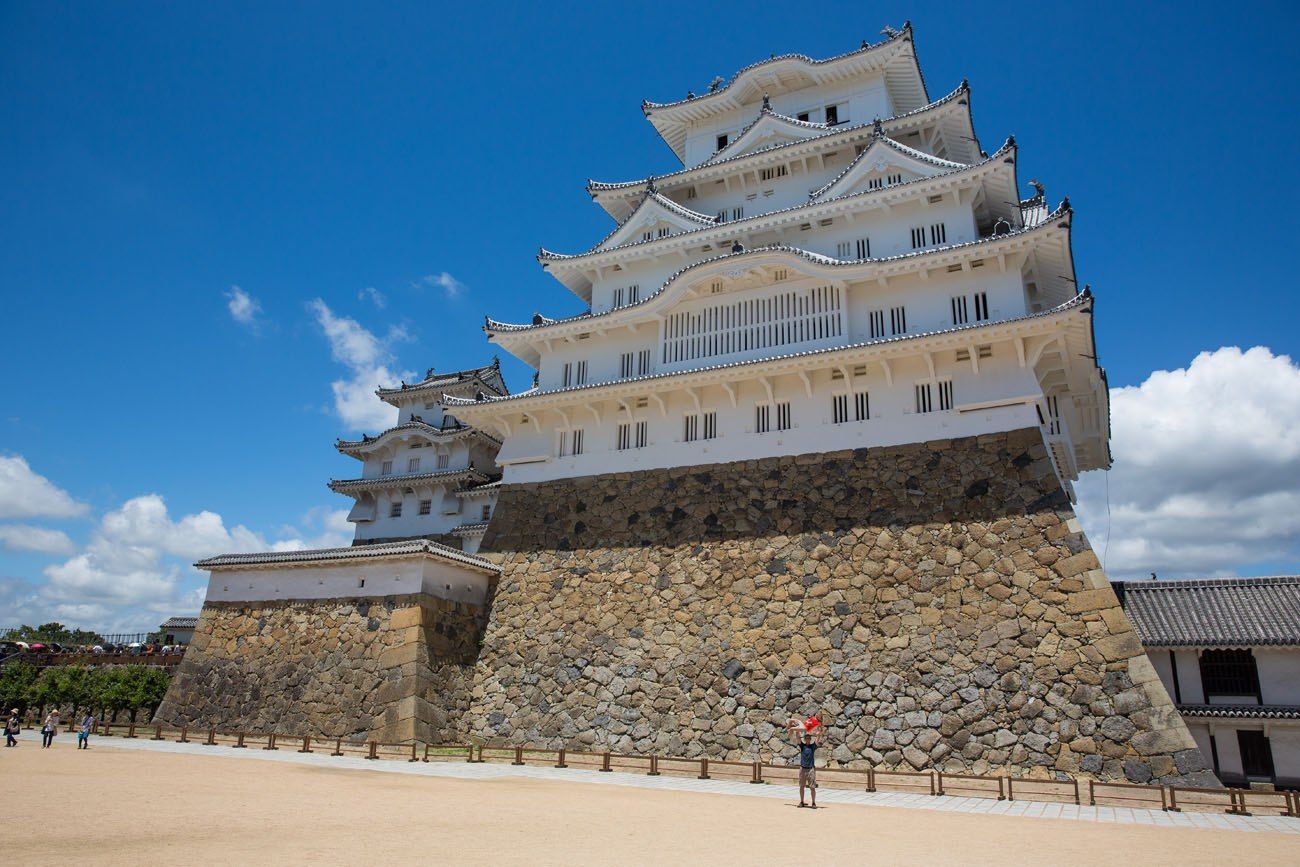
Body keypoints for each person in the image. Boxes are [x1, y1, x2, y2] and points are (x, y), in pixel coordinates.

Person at [788, 715, 827, 808]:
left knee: (812, 787)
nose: (808, 740)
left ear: (810, 739)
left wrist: (819, 731)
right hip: (803, 768)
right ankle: (801, 801)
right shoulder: (803, 746)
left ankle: (813, 802)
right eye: (807, 739)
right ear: (805, 739)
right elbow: (797, 737)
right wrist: (796, 729)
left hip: (810, 769)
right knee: (801, 786)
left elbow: (818, 738)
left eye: (809, 739)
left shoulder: (813, 747)